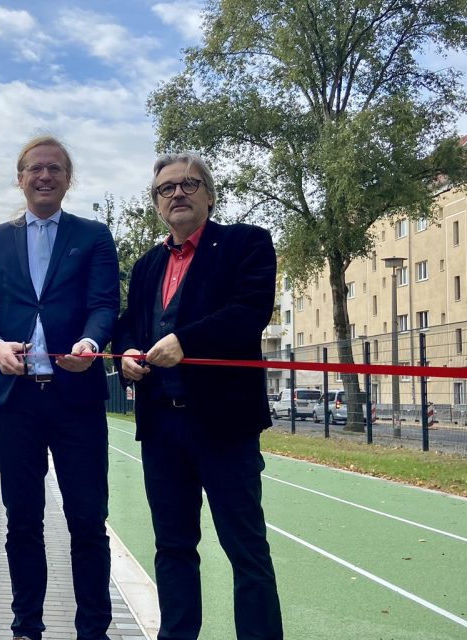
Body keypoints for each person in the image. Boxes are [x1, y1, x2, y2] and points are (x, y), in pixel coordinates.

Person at [113, 153, 283, 640]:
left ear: (209, 195)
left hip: (224, 426)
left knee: (246, 549)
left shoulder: (246, 244)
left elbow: (249, 311)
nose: (178, 193)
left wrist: (187, 341)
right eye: (166, 188)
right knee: (172, 547)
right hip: (162, 428)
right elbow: (130, 324)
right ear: (157, 204)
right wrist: (124, 350)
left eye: (189, 184)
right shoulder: (146, 265)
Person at [0, 135, 120, 640]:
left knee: (87, 522)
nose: (45, 176)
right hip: (15, 401)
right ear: (20, 177)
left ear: (67, 179)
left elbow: (104, 304)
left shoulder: (94, 236)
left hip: (76, 398)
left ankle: (93, 629)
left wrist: (92, 342)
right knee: (23, 522)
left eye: (55, 168)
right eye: (35, 168)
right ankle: (26, 627)